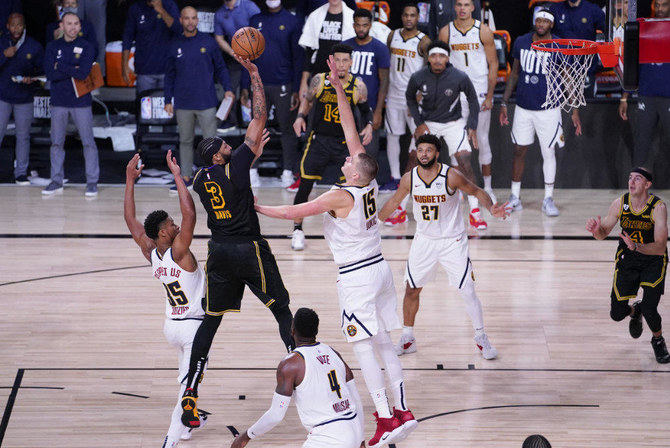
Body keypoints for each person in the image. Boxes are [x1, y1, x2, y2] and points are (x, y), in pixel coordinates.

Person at [256, 55, 418, 448]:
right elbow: (349, 126)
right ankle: (402, 410)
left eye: (349, 160)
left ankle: (384, 418)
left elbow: (294, 211)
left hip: (358, 276)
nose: (346, 157)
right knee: (384, 343)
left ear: (355, 172)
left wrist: (257, 207)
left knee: (363, 349)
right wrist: (338, 87)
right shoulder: (368, 183)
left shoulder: (341, 195)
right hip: (379, 269)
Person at [179, 54, 295, 429]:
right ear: (218, 155)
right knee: (282, 310)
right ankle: (303, 368)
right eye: (224, 146)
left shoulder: (200, 179)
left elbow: (232, 175)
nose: (230, 146)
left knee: (210, 323)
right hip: (249, 249)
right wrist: (255, 74)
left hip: (218, 252)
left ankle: (190, 392)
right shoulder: (235, 165)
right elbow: (259, 117)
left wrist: (250, 154)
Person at [378, 134, 507, 359]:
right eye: (420, 150)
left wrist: (491, 208)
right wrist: (374, 222)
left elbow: (476, 191)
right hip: (424, 240)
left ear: (437, 154)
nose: (424, 154)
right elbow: (394, 201)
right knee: (411, 289)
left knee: (467, 289)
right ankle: (408, 338)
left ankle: (481, 337)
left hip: (452, 241)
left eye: (428, 150)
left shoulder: (451, 176)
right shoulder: (410, 178)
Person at [124, 151, 209, 448]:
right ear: (163, 233)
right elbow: (191, 215)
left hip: (172, 325)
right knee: (188, 389)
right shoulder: (179, 251)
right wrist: (177, 176)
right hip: (193, 328)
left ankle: (189, 427)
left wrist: (129, 180)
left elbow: (130, 220)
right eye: (172, 225)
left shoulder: (152, 252)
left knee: (188, 381)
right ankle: (170, 440)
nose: (177, 226)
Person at [230, 307, 365, 448]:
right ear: (316, 331)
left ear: (292, 331)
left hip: (328, 437)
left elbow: (276, 414)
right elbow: (355, 398)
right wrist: (361, 440)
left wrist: (245, 436)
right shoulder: (334, 353)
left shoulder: (291, 364)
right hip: (353, 429)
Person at [290, 43, 373, 251]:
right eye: (337, 60)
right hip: (319, 141)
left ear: (351, 62)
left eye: (345, 60)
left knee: (348, 190)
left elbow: (365, 110)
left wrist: (370, 125)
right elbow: (307, 100)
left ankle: (345, 232)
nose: (341, 64)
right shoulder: (319, 80)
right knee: (305, 186)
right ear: (331, 62)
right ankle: (297, 230)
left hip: (343, 145)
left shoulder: (358, 86)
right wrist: (300, 116)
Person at [499, 9, 581, 217]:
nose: (541, 24)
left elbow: (567, 77)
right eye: (538, 20)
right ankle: (515, 196)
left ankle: (548, 199)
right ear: (534, 22)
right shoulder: (521, 42)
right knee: (519, 150)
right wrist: (504, 102)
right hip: (523, 107)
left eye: (545, 21)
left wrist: (574, 109)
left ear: (551, 24)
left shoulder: (559, 45)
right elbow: (514, 73)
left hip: (549, 109)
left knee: (548, 152)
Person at [585, 168, 669, 364]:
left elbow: (660, 247)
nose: (631, 182)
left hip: (653, 261)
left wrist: (636, 246)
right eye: (630, 178)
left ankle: (658, 340)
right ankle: (634, 311)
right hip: (628, 261)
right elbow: (603, 233)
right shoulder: (620, 203)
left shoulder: (658, 207)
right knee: (616, 313)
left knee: (650, 308)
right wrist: (597, 231)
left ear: (647, 184)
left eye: (637, 179)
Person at [405, 40, 488, 229]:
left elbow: (473, 100)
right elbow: (410, 97)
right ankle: (399, 210)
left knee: (464, 160)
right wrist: (419, 123)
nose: (437, 60)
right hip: (428, 123)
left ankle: (475, 212)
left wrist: (472, 125)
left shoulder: (459, 76)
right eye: (433, 56)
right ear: (428, 58)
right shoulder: (418, 76)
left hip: (453, 123)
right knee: (412, 159)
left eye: (441, 56)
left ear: (448, 58)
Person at [164, 6, 233, 192]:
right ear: (181, 20)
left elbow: (221, 68)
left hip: (206, 101)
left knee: (212, 142)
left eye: (193, 18)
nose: (190, 21)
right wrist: (167, 100)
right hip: (183, 102)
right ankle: (186, 177)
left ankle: (216, 176)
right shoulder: (174, 44)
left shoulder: (208, 42)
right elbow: (169, 75)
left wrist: (228, 88)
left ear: (198, 20)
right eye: (187, 18)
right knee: (185, 140)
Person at [439, 0, 499, 205]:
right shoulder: (446, 31)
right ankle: (458, 189)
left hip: (479, 91)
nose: (462, 8)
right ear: (454, 8)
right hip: (456, 94)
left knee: (482, 139)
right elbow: (441, 64)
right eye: (459, 4)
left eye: (466, 4)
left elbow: (493, 64)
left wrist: (490, 95)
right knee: (456, 141)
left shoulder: (483, 31)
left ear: (473, 7)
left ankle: (488, 188)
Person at [242, 0, 303, 187]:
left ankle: (287, 171)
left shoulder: (292, 21)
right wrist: (245, 85)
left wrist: (296, 88)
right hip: (258, 84)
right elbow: (246, 55)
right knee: (256, 127)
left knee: (287, 129)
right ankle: (252, 170)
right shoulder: (255, 20)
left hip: (284, 84)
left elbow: (298, 57)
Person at [42, 11, 99, 197]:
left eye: (76, 24)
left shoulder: (87, 46)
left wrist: (60, 66)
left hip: (81, 101)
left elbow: (83, 73)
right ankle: (56, 180)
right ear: (61, 26)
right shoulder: (52, 46)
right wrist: (72, 68)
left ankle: (92, 182)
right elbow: (50, 74)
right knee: (56, 143)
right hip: (59, 101)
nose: (73, 27)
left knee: (88, 142)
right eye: (69, 23)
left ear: (80, 26)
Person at [383, 3, 430, 226]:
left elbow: (429, 69)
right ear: (401, 17)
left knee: (419, 140)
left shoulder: (423, 40)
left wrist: (421, 93)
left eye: (413, 15)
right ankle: (394, 177)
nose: (409, 18)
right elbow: (386, 65)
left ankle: (418, 180)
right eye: (406, 15)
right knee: (393, 136)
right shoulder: (392, 36)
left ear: (418, 17)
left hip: (413, 97)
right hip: (393, 94)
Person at [618, 0, 670, 167]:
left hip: (668, 96)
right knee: (641, 144)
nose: (660, 9)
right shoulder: (644, 28)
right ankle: (637, 181)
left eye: (664, 5)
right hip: (646, 95)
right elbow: (633, 66)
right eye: (657, 5)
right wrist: (624, 97)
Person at [0, 13, 43, 185]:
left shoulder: (34, 46)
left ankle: (20, 173)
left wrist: (31, 79)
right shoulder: (2, 43)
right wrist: (4, 55)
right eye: (13, 25)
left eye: (19, 25)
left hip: (24, 97)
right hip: (2, 96)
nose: (16, 29)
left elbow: (41, 72)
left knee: (23, 136)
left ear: (24, 26)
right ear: (7, 26)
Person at [343, 8, 390, 163]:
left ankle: (368, 179)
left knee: (369, 153)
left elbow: (384, 81)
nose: (361, 29)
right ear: (353, 25)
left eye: (364, 25)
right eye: (358, 25)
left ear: (370, 25)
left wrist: (378, 111)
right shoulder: (345, 47)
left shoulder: (380, 48)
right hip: (346, 106)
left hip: (369, 107)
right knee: (345, 152)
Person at [214, 0, 261, 132]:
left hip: (255, 55)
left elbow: (261, 27)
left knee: (255, 87)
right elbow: (219, 38)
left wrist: (252, 48)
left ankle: (259, 121)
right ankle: (230, 121)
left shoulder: (249, 6)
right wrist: (233, 53)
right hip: (234, 57)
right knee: (230, 88)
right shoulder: (219, 14)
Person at [297, 0, 355, 101]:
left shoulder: (352, 17)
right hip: (319, 77)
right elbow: (308, 53)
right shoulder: (315, 16)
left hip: (343, 79)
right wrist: (304, 82)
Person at [122, 0, 181, 93]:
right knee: (143, 101)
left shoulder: (169, 5)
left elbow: (178, 29)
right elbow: (127, 37)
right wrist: (124, 64)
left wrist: (162, 11)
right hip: (144, 70)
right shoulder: (136, 8)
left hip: (167, 70)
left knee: (168, 102)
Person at [549, 0, 605, 97]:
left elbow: (609, 31)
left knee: (585, 102)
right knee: (558, 101)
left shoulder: (593, 10)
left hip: (585, 68)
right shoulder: (555, 9)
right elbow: (544, 33)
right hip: (560, 68)